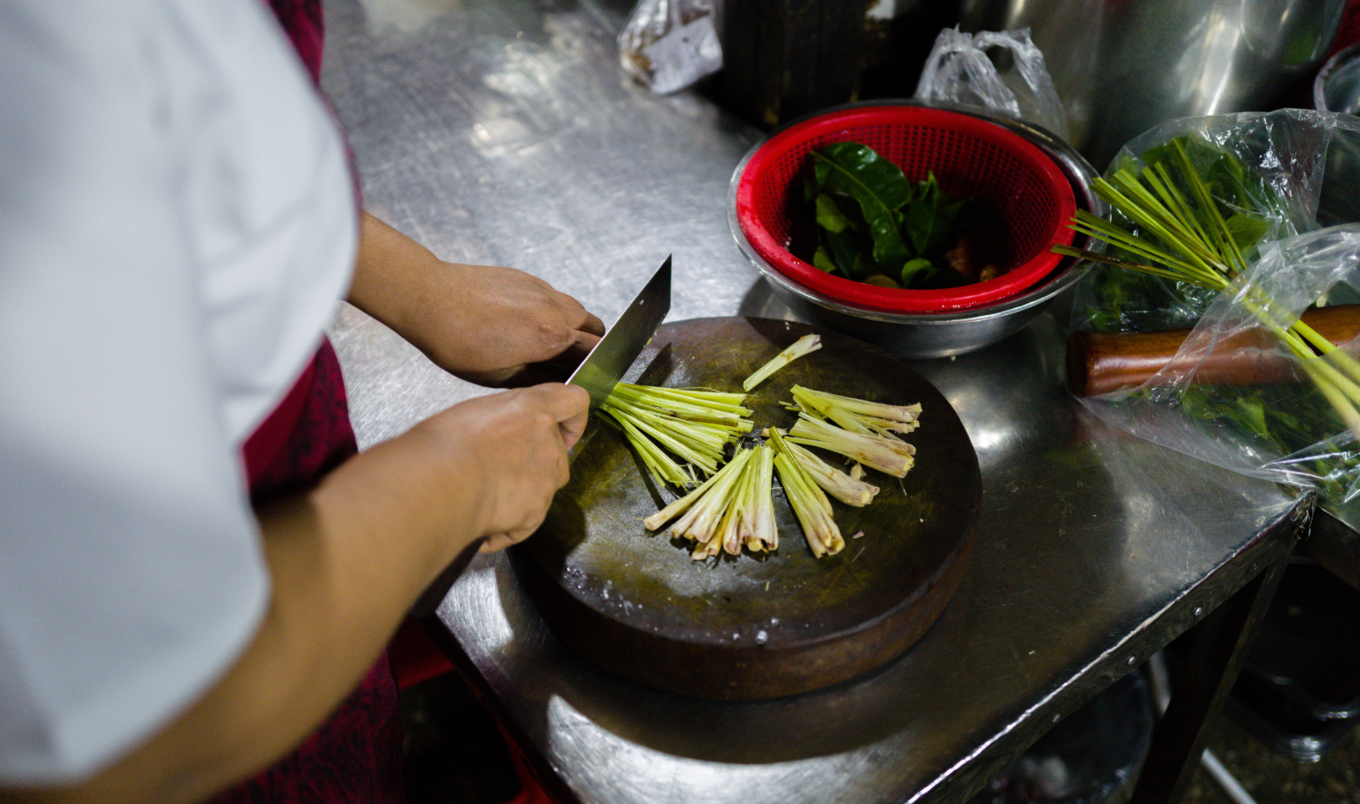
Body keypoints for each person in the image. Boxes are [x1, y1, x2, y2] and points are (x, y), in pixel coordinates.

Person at [0, 0, 603, 801]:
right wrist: (457, 479)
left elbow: (188, 148)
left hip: (316, 540)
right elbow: (117, 735)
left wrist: (419, 287)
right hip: (225, 718)